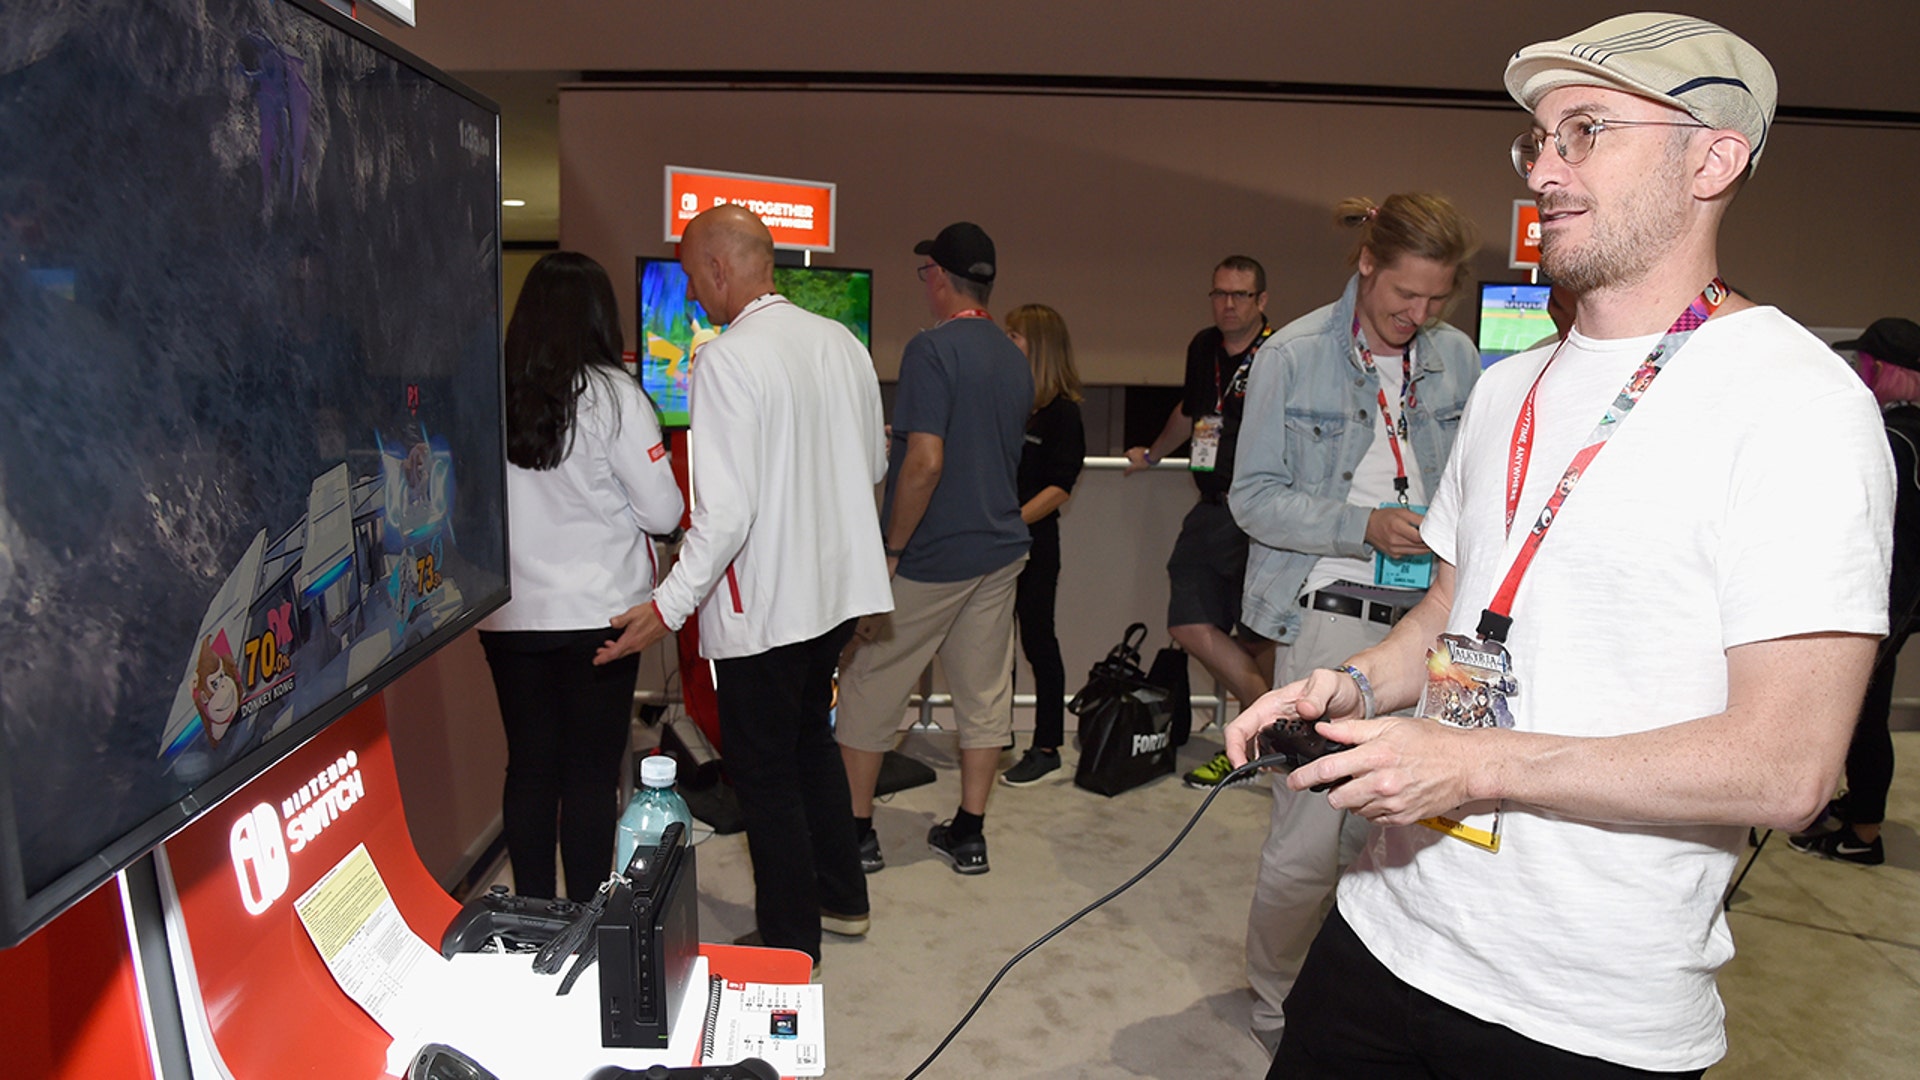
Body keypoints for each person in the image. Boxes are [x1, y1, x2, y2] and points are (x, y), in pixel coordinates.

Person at [1225, 14, 1893, 1077]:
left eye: (1585, 130)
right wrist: (1352, 685)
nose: (1543, 169)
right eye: (1537, 139)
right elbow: (1447, 616)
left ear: (1714, 159)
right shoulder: (1505, 387)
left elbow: (1786, 767)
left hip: (1586, 1014)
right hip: (1386, 933)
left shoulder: (1799, 405)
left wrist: (1474, 763)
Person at [593, 206, 891, 965]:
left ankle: (791, 942)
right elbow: (875, 465)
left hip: (769, 608)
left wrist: (666, 607)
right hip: (836, 598)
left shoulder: (726, 360)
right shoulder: (843, 344)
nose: (693, 295)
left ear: (720, 268)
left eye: (693, 278)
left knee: (765, 775)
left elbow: (723, 515)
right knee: (810, 743)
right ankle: (842, 897)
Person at [1228, 193, 1482, 1054]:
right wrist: (1361, 524)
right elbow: (1252, 498)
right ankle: (1275, 1001)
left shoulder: (1457, 358)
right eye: (1405, 293)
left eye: (1437, 298)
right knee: (1308, 839)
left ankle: (1369, 1004)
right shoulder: (1292, 355)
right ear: (1367, 264)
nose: (1419, 314)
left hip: (1434, 620)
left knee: (1409, 833)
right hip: (1331, 615)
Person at [477, 251, 684, 903]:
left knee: (529, 768)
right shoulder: (616, 395)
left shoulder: (492, 390)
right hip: (601, 616)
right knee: (591, 776)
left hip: (509, 614)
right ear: (600, 315)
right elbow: (664, 513)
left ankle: (532, 915)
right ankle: (588, 922)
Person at [836, 222, 1031, 875]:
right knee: (983, 695)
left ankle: (856, 835)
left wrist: (891, 551)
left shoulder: (930, 349)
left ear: (938, 277)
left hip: (931, 555)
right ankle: (969, 833)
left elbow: (925, 463)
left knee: (868, 684)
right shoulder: (1014, 355)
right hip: (999, 550)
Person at [1123, 256, 1279, 788]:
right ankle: (1272, 727)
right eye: (1219, 294)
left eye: (1240, 295)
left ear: (1261, 301)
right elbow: (1191, 414)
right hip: (1213, 505)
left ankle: (1256, 744)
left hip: (1260, 509)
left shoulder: (1279, 353)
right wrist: (1152, 454)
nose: (1228, 305)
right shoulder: (1202, 347)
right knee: (1189, 619)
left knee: (1256, 637)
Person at [1791, 316, 1920, 865]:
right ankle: (1858, 810)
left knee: (1863, 718)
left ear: (1883, 369)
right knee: (1865, 713)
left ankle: (1863, 835)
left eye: (1865, 363)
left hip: (1885, 601)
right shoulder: (1909, 431)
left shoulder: (1893, 439)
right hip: (1901, 600)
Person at [999, 304, 1087, 786]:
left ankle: (1047, 744)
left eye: (1014, 335)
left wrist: (1012, 522)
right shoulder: (1012, 402)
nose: (1006, 341)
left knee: (1037, 642)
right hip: (998, 544)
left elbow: (1060, 487)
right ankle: (996, 733)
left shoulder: (1063, 413)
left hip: (1034, 543)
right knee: (995, 644)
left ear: (1039, 345)